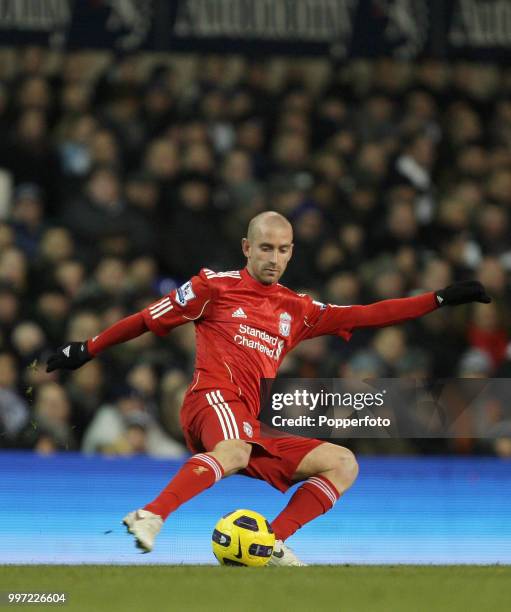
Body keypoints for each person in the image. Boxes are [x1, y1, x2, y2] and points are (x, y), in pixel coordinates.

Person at [46, 211, 491, 565]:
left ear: (291, 252)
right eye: (264, 248)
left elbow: (368, 313)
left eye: (281, 250)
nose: (273, 258)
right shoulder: (212, 288)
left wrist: (438, 299)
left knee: (343, 463)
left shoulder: (298, 309)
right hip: (211, 401)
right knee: (236, 449)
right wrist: (87, 347)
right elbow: (147, 318)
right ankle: (151, 514)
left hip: (250, 421)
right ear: (246, 248)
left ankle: (269, 543)